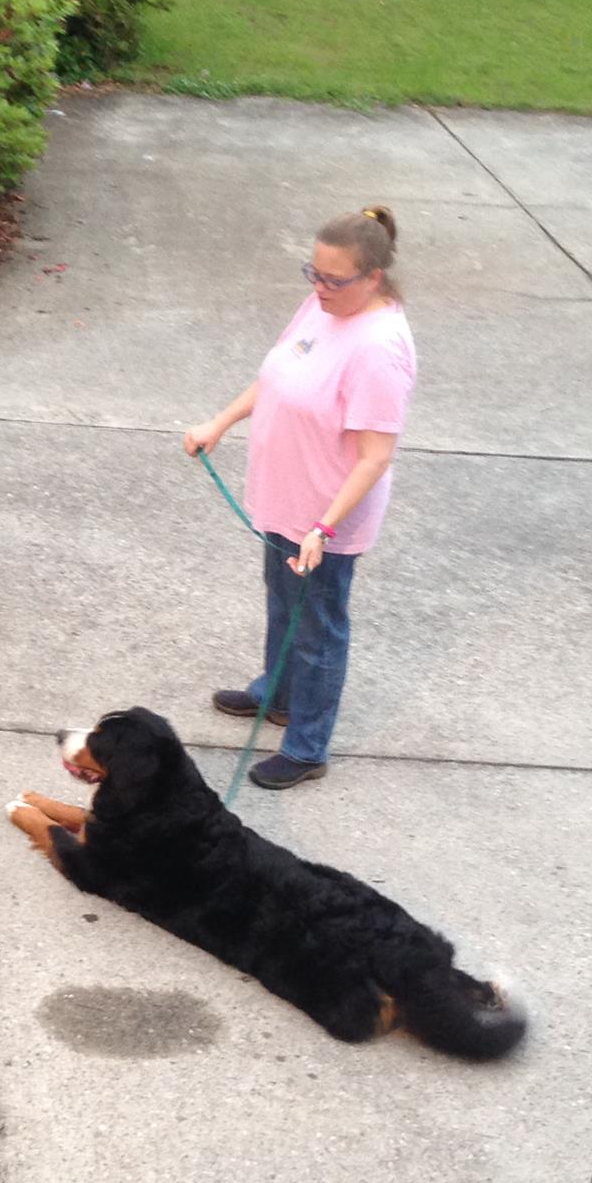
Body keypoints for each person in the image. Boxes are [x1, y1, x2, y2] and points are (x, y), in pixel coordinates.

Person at [182, 204, 417, 790]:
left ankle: (308, 746)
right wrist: (221, 422)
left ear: (374, 279)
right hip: (284, 497)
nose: (319, 287)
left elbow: (374, 457)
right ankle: (278, 695)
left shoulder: (380, 348)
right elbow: (276, 375)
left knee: (317, 626)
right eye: (312, 273)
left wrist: (325, 528)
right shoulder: (324, 304)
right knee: (284, 604)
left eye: (334, 280)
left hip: (325, 517)